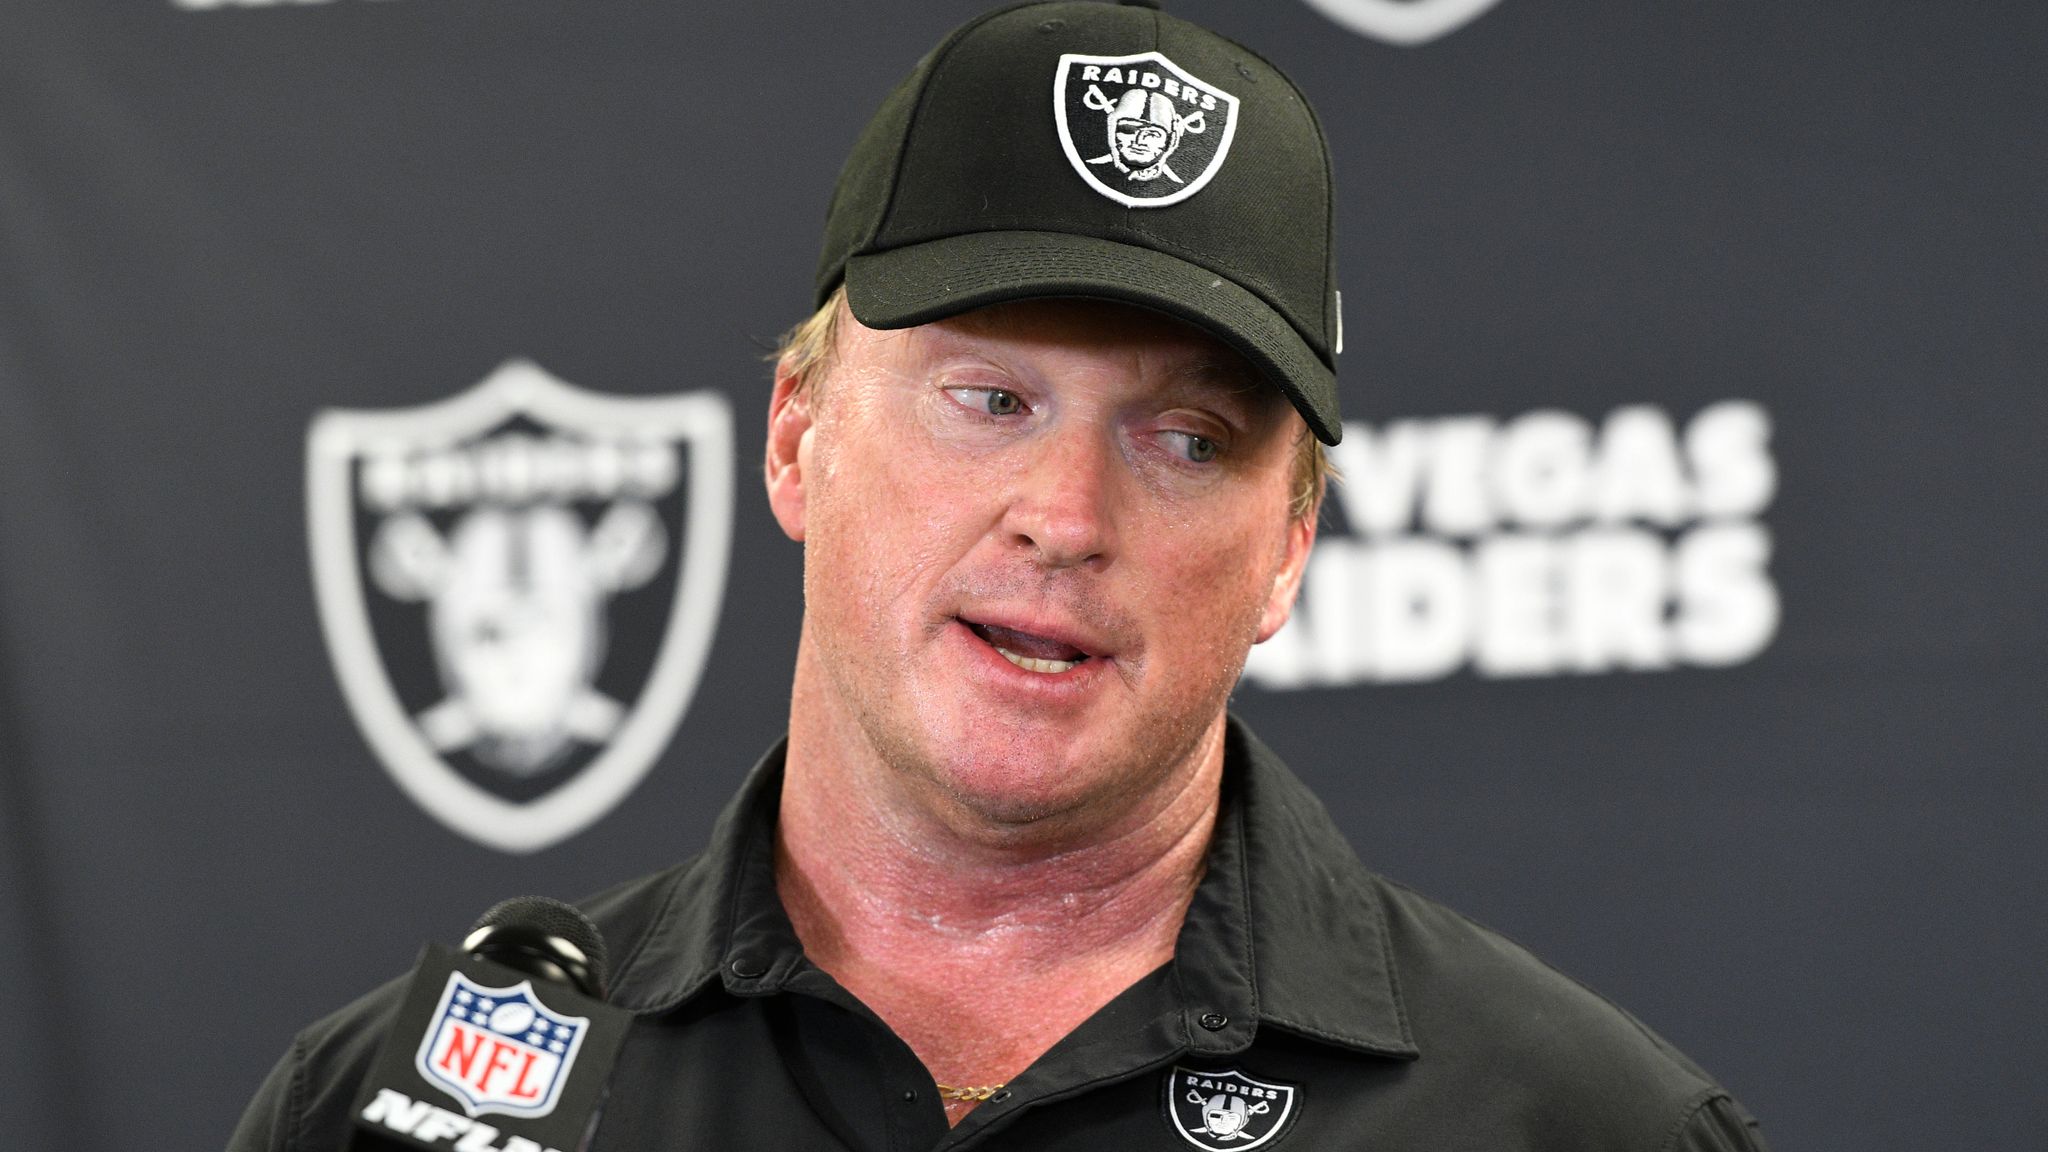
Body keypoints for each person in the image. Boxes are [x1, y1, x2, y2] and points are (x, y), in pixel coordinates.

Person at [231, 2, 1771, 1149]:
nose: (1066, 514)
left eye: (1185, 440)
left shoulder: (1578, 1128)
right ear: (796, 437)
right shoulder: (393, 1112)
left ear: (1289, 546)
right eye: (991, 401)